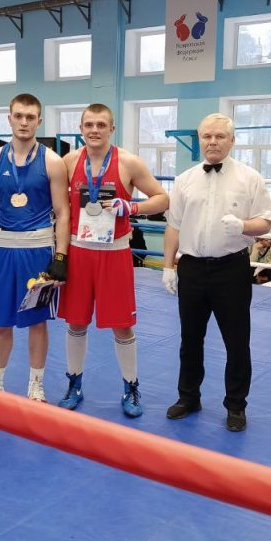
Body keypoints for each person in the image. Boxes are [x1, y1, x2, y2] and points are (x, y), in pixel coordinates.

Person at [163, 113, 271, 432]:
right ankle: (188, 397)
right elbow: (174, 225)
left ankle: (236, 405)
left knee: (237, 341)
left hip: (231, 269)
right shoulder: (185, 179)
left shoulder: (250, 178)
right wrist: (168, 266)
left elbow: (266, 221)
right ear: (200, 139)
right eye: (207, 136)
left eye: (220, 136)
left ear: (232, 140)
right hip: (192, 268)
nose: (212, 141)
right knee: (190, 339)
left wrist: (243, 225)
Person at [57, 103, 169, 418]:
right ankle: (74, 383)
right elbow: (56, 204)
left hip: (115, 253)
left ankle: (131, 386)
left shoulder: (128, 162)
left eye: (101, 125)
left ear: (111, 128)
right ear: (81, 128)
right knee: (76, 322)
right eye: (89, 124)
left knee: (122, 326)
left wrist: (131, 207)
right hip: (78, 251)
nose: (94, 130)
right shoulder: (68, 162)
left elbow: (163, 198)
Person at [0, 93, 69, 402]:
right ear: (9, 118)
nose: (24, 122)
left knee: (36, 321)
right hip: (3, 249)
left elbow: (63, 212)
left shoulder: (52, 161)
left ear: (39, 121)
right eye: (19, 116)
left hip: (37, 249)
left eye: (30, 117)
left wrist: (61, 256)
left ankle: (36, 385)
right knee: (0, 320)